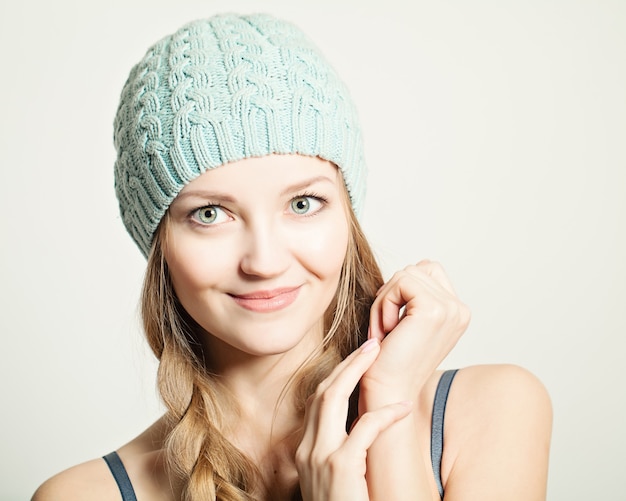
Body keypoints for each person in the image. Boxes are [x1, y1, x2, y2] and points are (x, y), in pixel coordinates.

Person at [32, 13, 552, 501]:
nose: (264, 261)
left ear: (346, 216)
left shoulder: (492, 412)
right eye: (210, 214)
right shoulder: (83, 494)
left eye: (303, 204)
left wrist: (387, 408)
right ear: (158, 242)